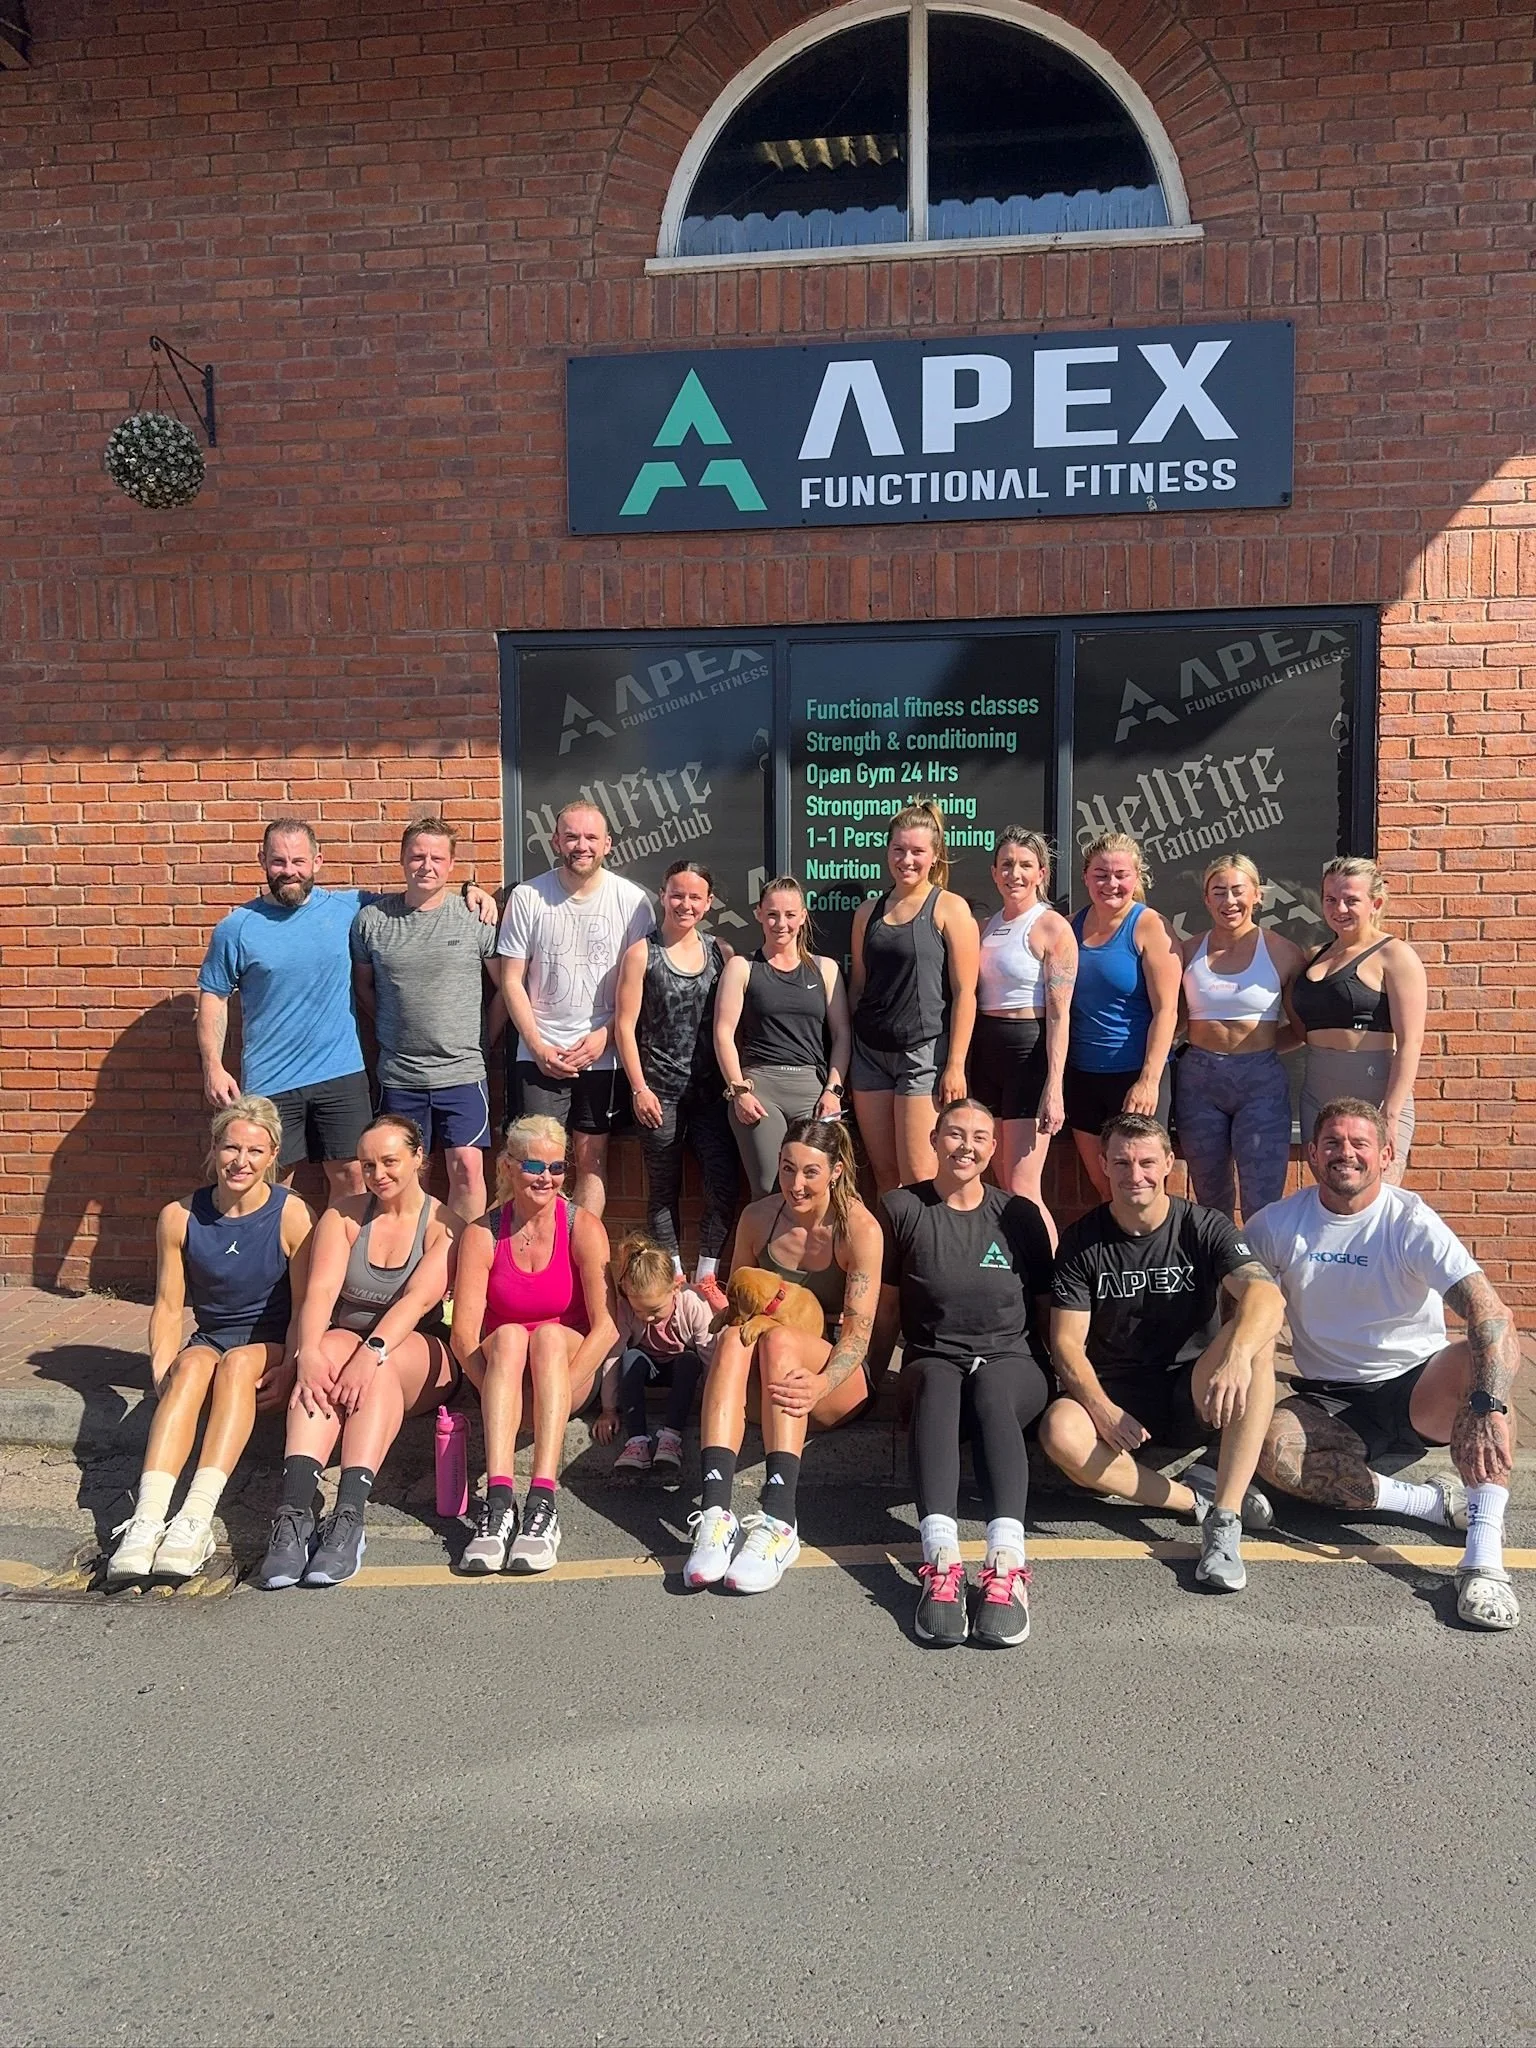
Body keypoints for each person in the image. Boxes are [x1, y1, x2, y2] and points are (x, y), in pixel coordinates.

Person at [1249, 1098, 1522, 1631]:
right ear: (1312, 1153)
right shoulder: (1278, 1223)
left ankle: (1485, 1558)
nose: (1344, 1153)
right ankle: (1429, 1504)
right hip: (1331, 1396)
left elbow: (1490, 1311)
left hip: (1419, 1386)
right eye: (1332, 1143)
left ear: (1386, 1154)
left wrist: (1489, 1405)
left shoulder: (1410, 1219)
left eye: (1359, 1144)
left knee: (1487, 1359)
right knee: (1270, 1451)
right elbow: (1235, 1300)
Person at [1039, 1113, 1283, 1593]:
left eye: (1148, 1162)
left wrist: (1234, 1355)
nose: (1136, 1174)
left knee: (1256, 1343)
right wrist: (1102, 1409)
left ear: (1169, 1163)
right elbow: (1066, 1344)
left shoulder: (1202, 1225)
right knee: (1058, 1431)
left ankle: (1225, 1521)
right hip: (1119, 1393)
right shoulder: (1082, 1240)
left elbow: (1267, 1295)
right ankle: (1194, 1501)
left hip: (1196, 1387)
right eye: (1123, 1162)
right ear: (1105, 1167)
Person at [197, 817, 495, 1202]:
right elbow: (213, 998)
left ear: (317, 862)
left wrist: (473, 890)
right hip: (271, 1080)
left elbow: (420, 893)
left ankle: (342, 1263)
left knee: (355, 1183)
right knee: (268, 1188)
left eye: (299, 861)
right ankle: (280, 1264)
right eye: (279, 862)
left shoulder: (349, 908)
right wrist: (213, 1066)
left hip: (341, 1075)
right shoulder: (236, 928)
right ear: (262, 861)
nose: (290, 871)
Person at [106, 1097, 314, 1585]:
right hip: (211, 1337)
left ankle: (195, 1518)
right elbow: (166, 1303)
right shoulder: (178, 1216)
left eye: (254, 1151)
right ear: (214, 1149)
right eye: (230, 1148)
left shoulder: (292, 1214)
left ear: (272, 1156)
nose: (241, 1161)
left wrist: (293, 1367)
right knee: (194, 1367)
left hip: (268, 1343)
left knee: (238, 1365)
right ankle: (148, 1520)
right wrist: (163, 1369)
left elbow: (308, 1305)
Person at [251, 1114, 457, 1589]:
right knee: (323, 1351)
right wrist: (305, 1354)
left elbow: (418, 1301)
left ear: (418, 1159)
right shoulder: (342, 1215)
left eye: (390, 1162)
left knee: (377, 1368)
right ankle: (295, 1513)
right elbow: (319, 1294)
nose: (378, 1174)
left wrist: (371, 1353)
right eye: (367, 1165)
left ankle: (348, 1518)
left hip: (421, 1348)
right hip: (349, 1337)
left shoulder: (444, 1224)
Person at [684, 1118, 886, 1595]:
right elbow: (739, 1308)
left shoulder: (859, 1228)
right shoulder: (758, 1217)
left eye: (811, 1173)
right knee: (738, 1334)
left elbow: (858, 1338)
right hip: (770, 1389)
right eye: (788, 1169)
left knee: (775, 1338)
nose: (797, 1184)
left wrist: (820, 1383)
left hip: (835, 1381)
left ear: (836, 1172)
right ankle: (715, 1513)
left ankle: (779, 1518)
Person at [879, 1099, 1054, 1648]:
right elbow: (884, 1309)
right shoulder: (901, 1209)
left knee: (994, 1385)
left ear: (993, 1149)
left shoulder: (1018, 1214)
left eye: (979, 1137)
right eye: (955, 1134)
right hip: (934, 1361)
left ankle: (1006, 1566)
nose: (966, 1146)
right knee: (939, 1378)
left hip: (1012, 1364)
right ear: (933, 1139)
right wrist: (863, 1380)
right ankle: (942, 1565)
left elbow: (1048, 1307)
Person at [450, 1115, 617, 1572]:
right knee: (505, 1335)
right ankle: (499, 1503)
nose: (547, 1177)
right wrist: (502, 1399)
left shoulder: (581, 1226)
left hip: (564, 1373)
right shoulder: (483, 1234)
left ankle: (543, 1502)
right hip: (502, 1378)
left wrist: (554, 1394)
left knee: (543, 1336)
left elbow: (607, 1327)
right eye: (533, 1166)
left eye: (557, 1166)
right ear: (506, 1167)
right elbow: (464, 1336)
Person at [496, 800, 653, 1216]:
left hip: (603, 1056)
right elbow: (511, 979)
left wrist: (606, 1037)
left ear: (608, 844)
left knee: (592, 1162)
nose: (580, 845)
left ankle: (581, 1262)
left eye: (590, 837)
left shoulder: (634, 901)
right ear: (555, 841)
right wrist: (536, 1044)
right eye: (571, 836)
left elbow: (640, 986)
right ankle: (534, 1257)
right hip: (538, 1056)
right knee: (533, 1164)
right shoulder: (528, 897)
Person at [350, 816, 504, 1221]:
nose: (427, 866)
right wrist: (389, 1025)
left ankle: (460, 1269)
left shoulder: (475, 918)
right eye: (417, 856)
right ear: (402, 860)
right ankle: (408, 1264)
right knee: (399, 1176)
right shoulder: (372, 921)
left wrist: (485, 1039)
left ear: (452, 865)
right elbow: (363, 988)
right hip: (400, 1074)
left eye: (437, 857)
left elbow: (506, 987)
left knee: (467, 1171)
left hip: (463, 1071)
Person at [613, 857, 738, 1300]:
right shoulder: (642, 953)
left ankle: (706, 1273)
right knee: (664, 1189)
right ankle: (674, 1276)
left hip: (709, 1094)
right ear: (663, 896)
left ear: (708, 903)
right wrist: (639, 1088)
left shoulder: (720, 953)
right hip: (658, 1094)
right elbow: (624, 1026)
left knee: (723, 1183)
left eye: (695, 897)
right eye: (677, 894)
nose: (685, 903)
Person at [849, 801, 980, 1193]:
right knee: (885, 1178)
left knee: (920, 1178)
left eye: (917, 851)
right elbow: (858, 986)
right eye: (899, 850)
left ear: (934, 855)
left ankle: (921, 1257)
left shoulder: (950, 908)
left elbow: (965, 993)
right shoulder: (866, 912)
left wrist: (955, 1063)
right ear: (887, 851)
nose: (907, 860)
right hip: (869, 1056)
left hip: (922, 1057)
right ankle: (886, 1257)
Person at [1175, 854, 1308, 1219]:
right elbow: (1174, 1023)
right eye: (1218, 892)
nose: (1228, 901)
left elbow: (1302, 1030)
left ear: (1257, 895)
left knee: (1262, 1198)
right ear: (1206, 899)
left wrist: (1258, 1050)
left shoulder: (1282, 952)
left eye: (1238, 891)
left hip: (1260, 1082)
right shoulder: (1188, 951)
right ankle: (1216, 1274)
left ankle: (1261, 1275)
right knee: (1209, 1194)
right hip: (1200, 1080)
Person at [1289, 857, 1426, 1184]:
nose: (1340, 909)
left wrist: (1390, 1114)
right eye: (1331, 899)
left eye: (1351, 900)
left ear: (1375, 903)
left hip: (1375, 1095)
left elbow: (1411, 1043)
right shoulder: (1313, 955)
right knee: (1331, 1194)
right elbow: (1299, 1029)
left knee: (1376, 1199)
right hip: (1317, 1097)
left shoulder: (1395, 955)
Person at [970, 828, 1077, 1244]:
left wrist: (1054, 1086)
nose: (1015, 873)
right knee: (997, 1185)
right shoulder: (985, 926)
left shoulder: (1051, 926)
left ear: (1041, 873)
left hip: (1027, 1055)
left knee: (1023, 1188)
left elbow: (1060, 1014)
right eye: (1007, 865)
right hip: (985, 1052)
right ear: (994, 873)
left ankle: (1049, 1291)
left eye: (1025, 865)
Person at [713, 875, 850, 1201]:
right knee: (770, 1189)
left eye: (790, 915)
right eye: (772, 914)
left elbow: (843, 1034)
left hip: (813, 1091)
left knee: (816, 1189)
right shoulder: (742, 967)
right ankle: (770, 1254)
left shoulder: (825, 969)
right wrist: (739, 1091)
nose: (781, 923)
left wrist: (833, 1090)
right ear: (759, 914)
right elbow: (723, 1032)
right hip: (760, 1091)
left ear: (803, 916)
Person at [1063, 832, 1181, 1202]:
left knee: (1143, 1188)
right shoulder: (1069, 927)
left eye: (1120, 875)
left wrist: (1149, 1080)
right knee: (1105, 1187)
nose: (1110, 884)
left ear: (1137, 877)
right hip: (1082, 1078)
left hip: (1134, 1079)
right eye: (1100, 874)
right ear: (1085, 877)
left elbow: (1168, 1010)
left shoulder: (1149, 927)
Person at [594, 1234, 715, 1477]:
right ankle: (637, 1442)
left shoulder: (693, 1303)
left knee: (689, 1361)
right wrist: (608, 1409)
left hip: (681, 1369)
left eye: (655, 1310)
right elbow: (613, 1356)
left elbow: (710, 1356)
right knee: (630, 1358)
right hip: (648, 1367)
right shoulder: (626, 1309)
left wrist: (713, 1406)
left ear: (675, 1288)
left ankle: (670, 1439)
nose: (647, 1318)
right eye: (640, 1310)